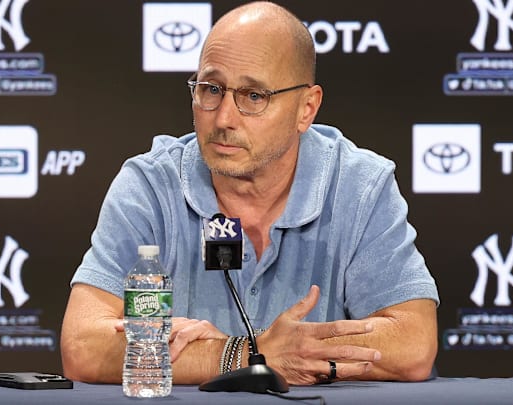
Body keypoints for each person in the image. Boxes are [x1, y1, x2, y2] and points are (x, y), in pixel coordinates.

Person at [61, 1, 439, 385]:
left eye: (253, 97)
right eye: (211, 89)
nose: (223, 118)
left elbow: (412, 345)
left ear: (306, 109)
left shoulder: (359, 186)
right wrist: (245, 354)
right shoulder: (151, 185)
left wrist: (257, 352)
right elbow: (83, 346)